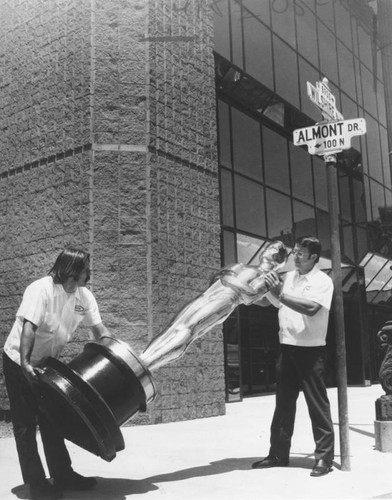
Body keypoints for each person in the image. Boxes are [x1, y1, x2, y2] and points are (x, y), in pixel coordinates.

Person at [3, 248, 115, 500]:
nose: (90, 273)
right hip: (18, 359)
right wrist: (24, 363)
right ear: (71, 271)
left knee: (52, 418)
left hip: (46, 363)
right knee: (25, 423)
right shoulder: (40, 289)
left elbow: (98, 328)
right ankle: (37, 484)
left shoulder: (84, 297)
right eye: (86, 269)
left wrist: (112, 345)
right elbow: (28, 328)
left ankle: (63, 474)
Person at [252, 236, 335, 477]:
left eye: (301, 253)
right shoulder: (287, 278)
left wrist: (281, 295)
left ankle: (324, 459)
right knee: (283, 406)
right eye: (295, 251)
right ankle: (278, 454)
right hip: (287, 349)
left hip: (311, 352)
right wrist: (254, 293)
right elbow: (271, 302)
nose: (295, 256)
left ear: (314, 258)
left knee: (317, 405)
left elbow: (311, 308)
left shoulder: (323, 281)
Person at [141, 240, 287, 371]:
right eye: (269, 247)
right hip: (209, 294)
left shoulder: (267, 276)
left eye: (272, 248)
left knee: (188, 330)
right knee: (174, 326)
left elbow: (250, 295)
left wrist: (229, 278)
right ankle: (142, 359)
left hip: (227, 299)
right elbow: (216, 277)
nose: (267, 250)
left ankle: (147, 365)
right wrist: (230, 279)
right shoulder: (243, 266)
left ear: (276, 257)